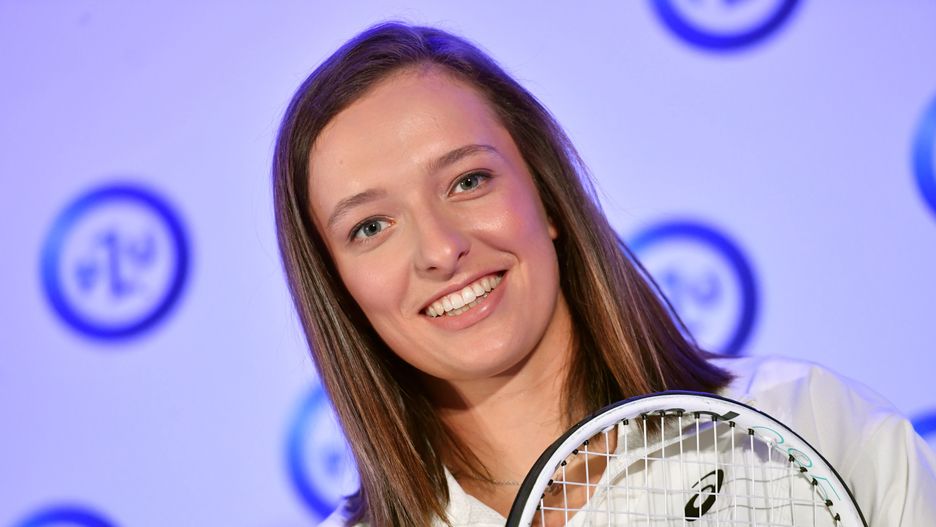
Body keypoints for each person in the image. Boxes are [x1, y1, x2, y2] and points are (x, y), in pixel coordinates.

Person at [272, 22, 936, 526]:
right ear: (339, 288)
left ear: (547, 197)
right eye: (371, 227)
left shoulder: (802, 423)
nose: (441, 249)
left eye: (468, 181)